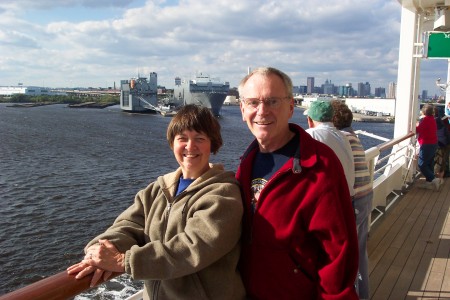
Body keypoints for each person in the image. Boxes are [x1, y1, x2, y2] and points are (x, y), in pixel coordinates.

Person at [67, 104, 246, 300]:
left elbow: (192, 247)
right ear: (172, 143)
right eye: (182, 139)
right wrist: (100, 250)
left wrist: (123, 261)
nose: (190, 146)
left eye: (200, 139)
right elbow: (129, 224)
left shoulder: (223, 194)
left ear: (213, 144)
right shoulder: (159, 189)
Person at [236, 67, 359, 299]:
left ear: (291, 107)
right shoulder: (247, 162)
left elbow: (338, 252)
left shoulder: (319, 163)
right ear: (242, 109)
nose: (262, 111)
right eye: (253, 102)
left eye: (272, 101)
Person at [331, 100, 373, 300]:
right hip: (366, 194)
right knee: (360, 251)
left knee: (347, 254)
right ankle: (363, 295)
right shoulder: (352, 136)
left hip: (355, 200)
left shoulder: (341, 139)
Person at [304, 100, 355, 198]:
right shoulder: (343, 136)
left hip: (331, 200)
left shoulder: (311, 134)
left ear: (309, 120)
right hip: (347, 199)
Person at [416, 104, 440, 190]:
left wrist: (416, 124)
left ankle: (433, 179)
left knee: (421, 165)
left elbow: (418, 130)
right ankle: (429, 183)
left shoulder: (425, 120)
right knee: (429, 163)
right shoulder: (432, 119)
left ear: (424, 112)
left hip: (427, 144)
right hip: (433, 143)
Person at [434, 106, 450, 179]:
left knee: (439, 159)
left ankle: (439, 174)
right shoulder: (445, 119)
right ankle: (445, 172)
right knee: (445, 158)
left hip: (440, 143)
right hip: (446, 141)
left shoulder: (436, 121)